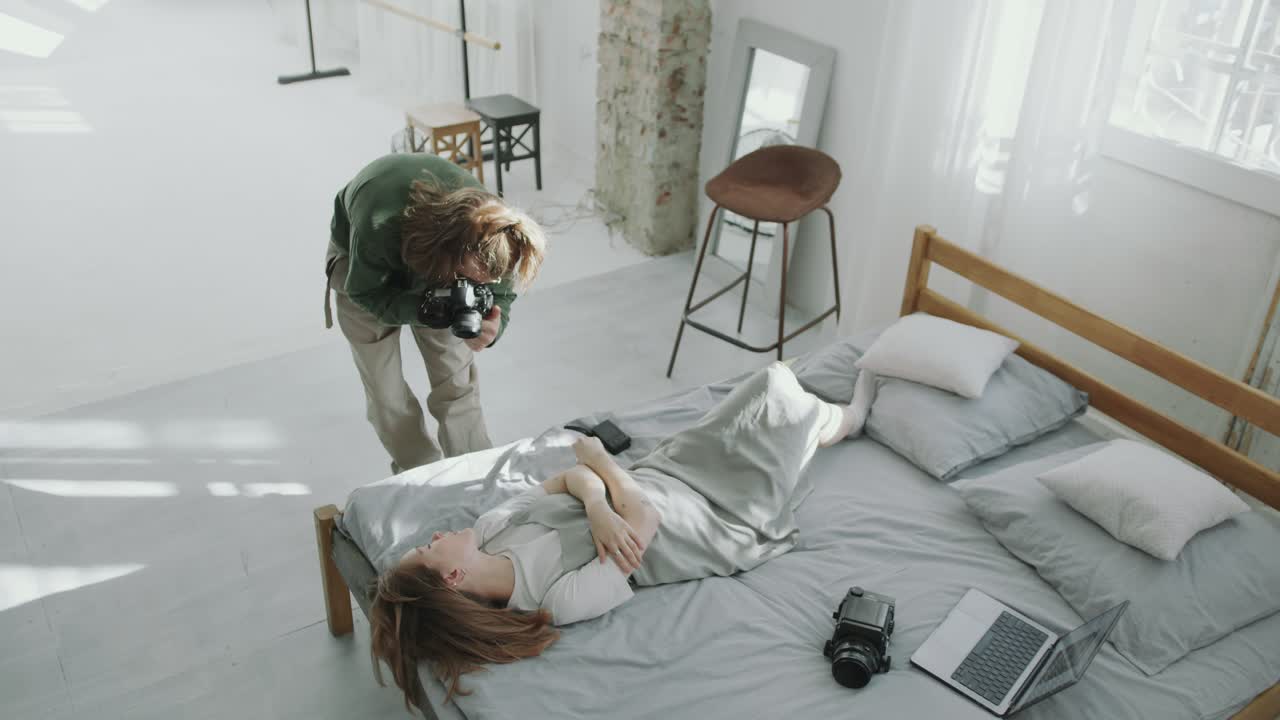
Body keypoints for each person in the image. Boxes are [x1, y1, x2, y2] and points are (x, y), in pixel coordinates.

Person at [368, 362, 869, 710]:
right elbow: (644, 520)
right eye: (429, 547)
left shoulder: (490, 531)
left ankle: (819, 417)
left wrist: (598, 507)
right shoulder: (555, 598)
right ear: (453, 577)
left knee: (769, 383)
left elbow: (568, 480)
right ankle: (845, 420)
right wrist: (602, 464)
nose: (436, 534)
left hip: (653, 479)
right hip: (705, 516)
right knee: (778, 396)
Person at [325, 153, 547, 475]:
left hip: (440, 260)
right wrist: (423, 309)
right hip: (362, 266)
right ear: (447, 249)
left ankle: (475, 472)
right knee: (386, 392)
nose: (469, 288)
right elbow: (365, 293)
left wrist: (494, 325)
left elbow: (502, 289)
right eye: (465, 279)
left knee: (457, 381)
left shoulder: (496, 230)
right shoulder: (379, 222)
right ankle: (421, 475)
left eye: (480, 283)